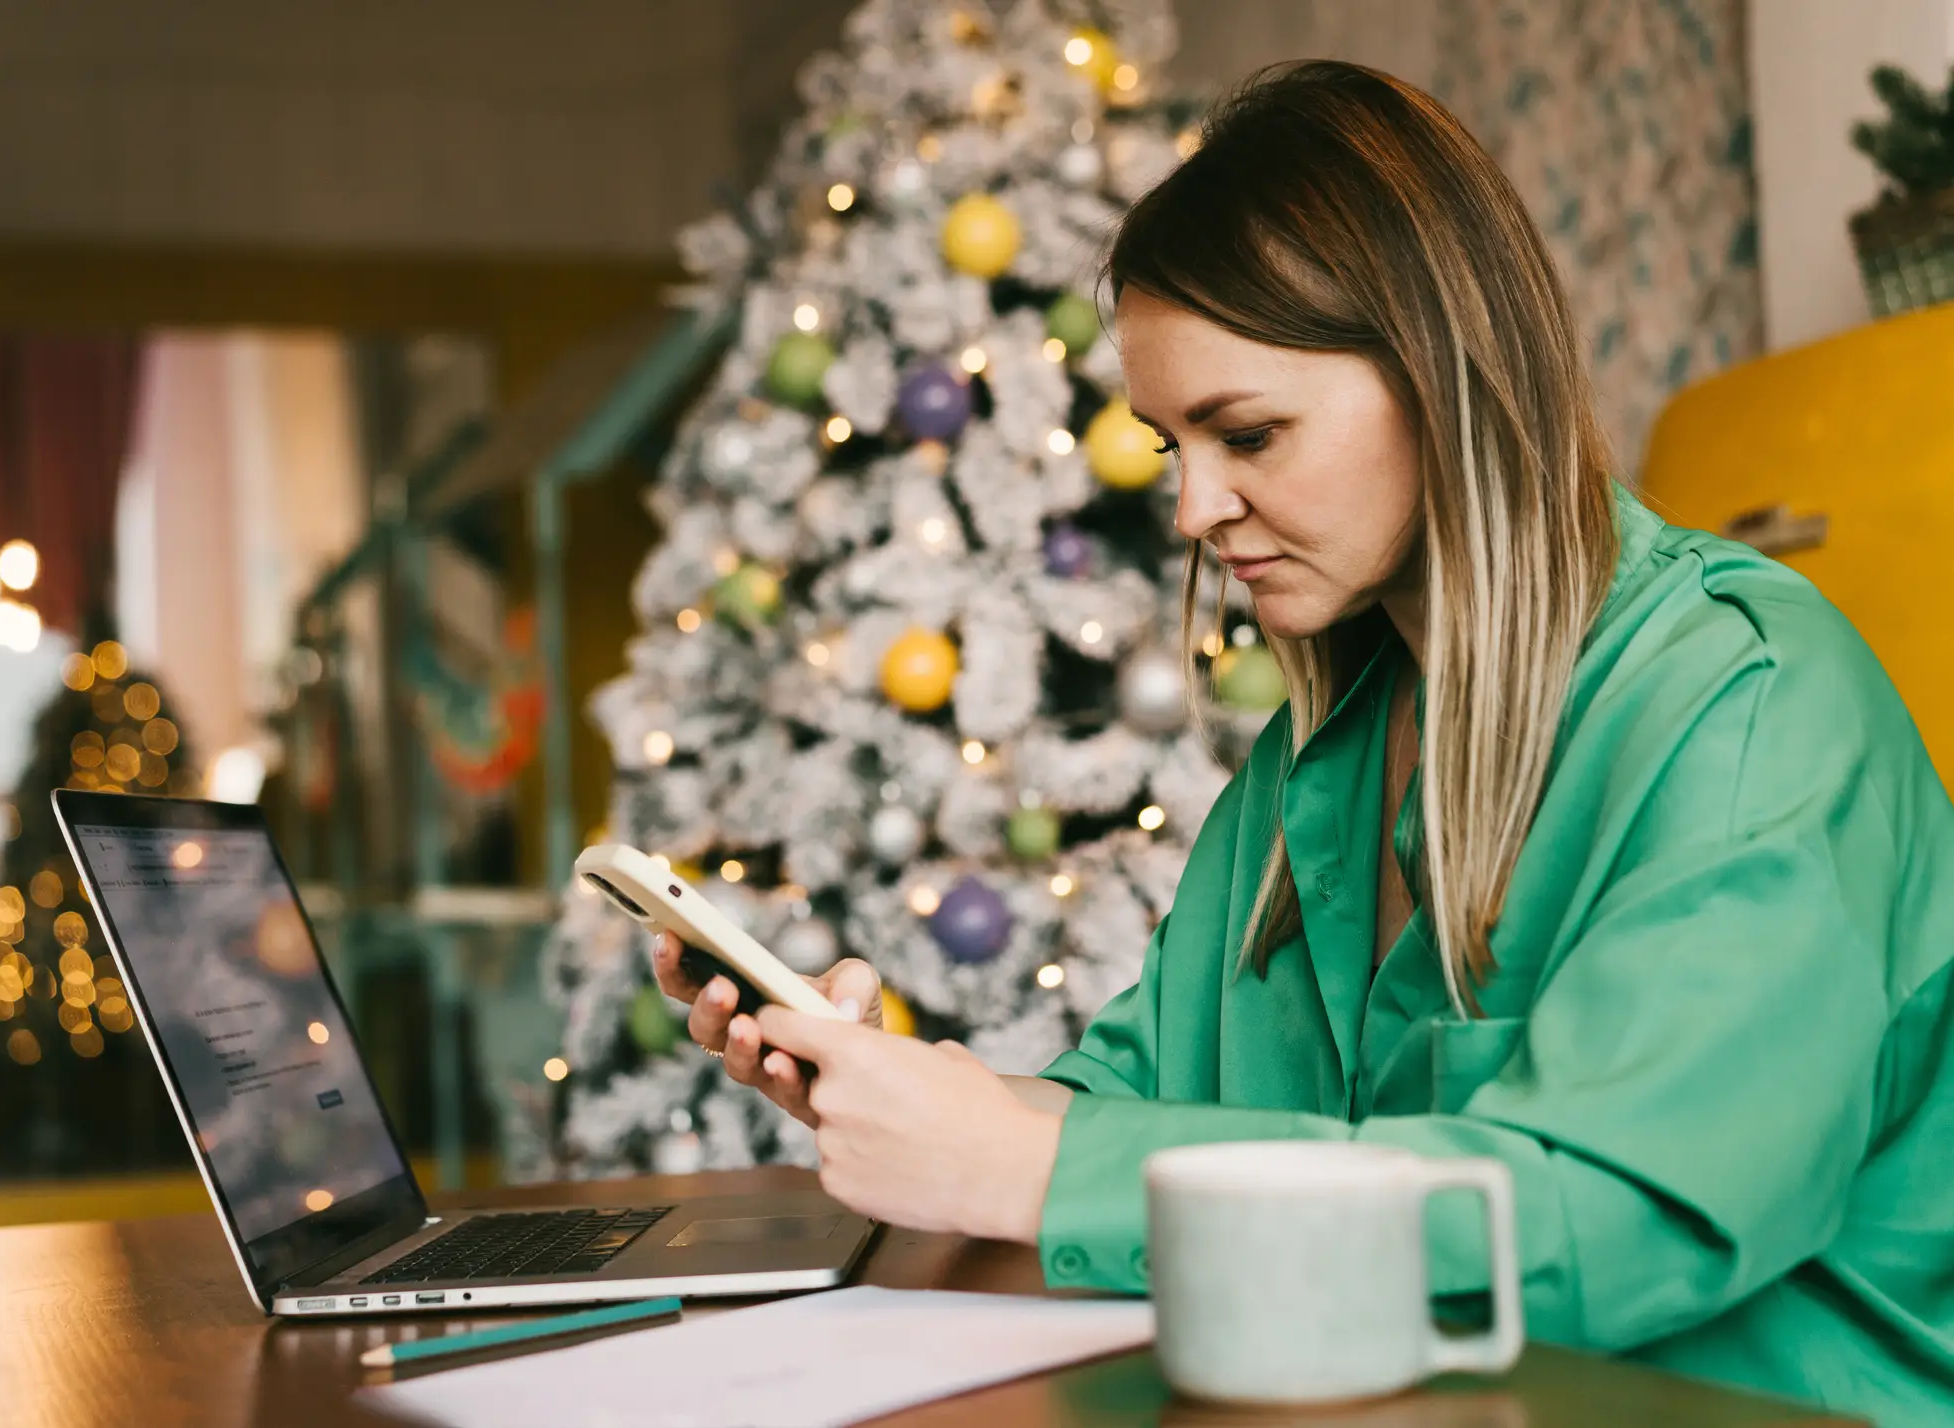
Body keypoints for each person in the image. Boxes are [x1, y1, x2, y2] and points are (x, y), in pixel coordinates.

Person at [652, 61, 1954, 1424]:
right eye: (1170, 446)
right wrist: (929, 1109)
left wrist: (1024, 1172)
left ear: (1439, 375)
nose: (1196, 506)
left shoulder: (1745, 702)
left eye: (1249, 432)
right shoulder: (1318, 752)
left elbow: (1624, 1216)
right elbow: (1142, 1100)